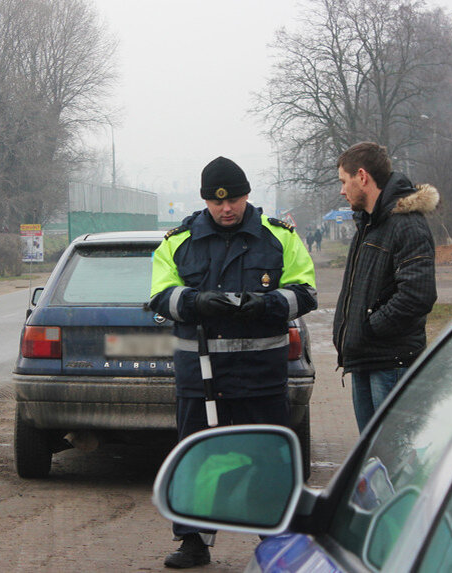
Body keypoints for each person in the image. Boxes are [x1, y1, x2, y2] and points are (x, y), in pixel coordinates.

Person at [150, 156, 317, 569]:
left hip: (260, 377)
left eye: (234, 200)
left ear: (247, 196)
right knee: (196, 458)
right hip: (201, 376)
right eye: (217, 202)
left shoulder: (278, 237)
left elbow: (306, 291)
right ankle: (193, 541)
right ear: (205, 201)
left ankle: (278, 541)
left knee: (267, 459)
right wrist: (195, 301)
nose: (227, 209)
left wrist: (267, 304)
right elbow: (160, 295)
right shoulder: (178, 241)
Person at [332, 142, 438, 433]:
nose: (342, 190)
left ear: (362, 177)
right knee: (372, 451)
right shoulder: (369, 224)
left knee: (393, 450)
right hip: (366, 359)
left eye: (344, 181)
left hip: (390, 363)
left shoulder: (406, 224)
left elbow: (418, 294)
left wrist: (370, 327)